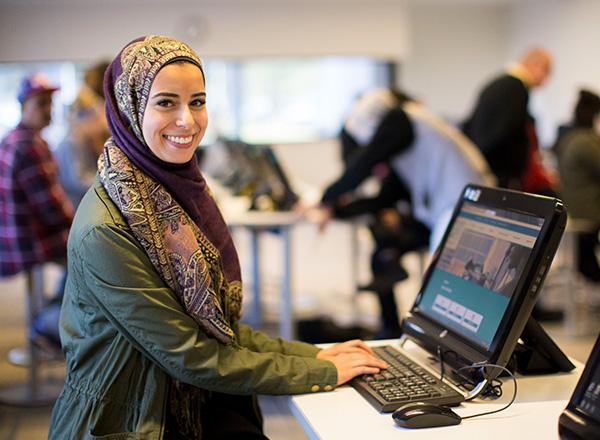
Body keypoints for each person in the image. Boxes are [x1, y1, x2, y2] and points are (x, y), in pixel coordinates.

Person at [47, 35, 387, 439]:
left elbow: (216, 328)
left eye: (197, 101)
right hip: (128, 421)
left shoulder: (173, 195)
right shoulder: (107, 229)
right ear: (129, 107)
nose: (188, 121)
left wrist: (315, 353)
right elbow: (190, 354)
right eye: (165, 102)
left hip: (183, 398)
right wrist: (319, 371)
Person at [317, 88, 495, 339]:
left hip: (465, 203)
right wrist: (335, 209)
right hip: (441, 209)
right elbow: (386, 196)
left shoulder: (404, 121)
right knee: (383, 245)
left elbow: (364, 164)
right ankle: (389, 330)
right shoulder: (410, 134)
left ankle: (446, 342)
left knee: (442, 282)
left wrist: (325, 198)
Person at [0, 73, 74, 347]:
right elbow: (51, 207)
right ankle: (49, 322)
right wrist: (80, 226)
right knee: (91, 252)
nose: (49, 110)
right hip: (29, 242)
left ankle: (49, 314)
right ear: (23, 106)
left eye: (50, 103)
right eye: (41, 104)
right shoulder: (31, 145)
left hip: (12, 239)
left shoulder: (12, 138)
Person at [462, 47, 553, 190]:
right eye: (546, 71)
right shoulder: (516, 89)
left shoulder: (497, 84)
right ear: (535, 64)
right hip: (499, 176)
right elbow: (505, 133)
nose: (546, 80)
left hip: (481, 167)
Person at [555, 90, 600, 283]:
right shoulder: (586, 142)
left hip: (573, 208)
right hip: (588, 212)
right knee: (588, 262)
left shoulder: (568, 138)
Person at [55, 61, 110, 208]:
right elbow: (79, 180)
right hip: (77, 207)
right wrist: (112, 182)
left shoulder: (87, 140)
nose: (100, 121)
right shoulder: (71, 143)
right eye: (95, 116)